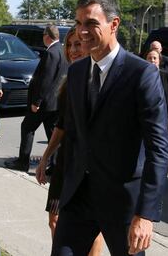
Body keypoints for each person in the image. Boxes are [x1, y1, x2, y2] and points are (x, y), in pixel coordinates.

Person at [51, 0, 168, 256]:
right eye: (79, 23)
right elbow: (72, 138)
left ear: (113, 24)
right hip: (79, 200)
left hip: (123, 204)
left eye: (91, 23)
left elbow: (158, 150)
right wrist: (57, 197)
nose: (82, 31)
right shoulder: (76, 72)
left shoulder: (142, 75)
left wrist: (146, 214)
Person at [35, 26, 104, 256]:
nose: (74, 50)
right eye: (70, 45)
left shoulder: (98, 80)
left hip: (89, 169)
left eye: (78, 44)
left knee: (92, 229)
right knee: (54, 219)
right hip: (66, 163)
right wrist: (45, 157)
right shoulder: (70, 80)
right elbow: (61, 126)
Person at [5, 24, 68, 172]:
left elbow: (45, 80)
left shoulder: (51, 53)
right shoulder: (63, 51)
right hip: (56, 102)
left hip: (44, 103)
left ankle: (23, 162)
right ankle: (55, 165)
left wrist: (36, 101)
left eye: (43, 36)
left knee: (27, 128)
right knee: (53, 134)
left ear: (47, 36)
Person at [146, 49, 168, 140]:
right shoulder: (141, 76)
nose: (152, 60)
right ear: (146, 60)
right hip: (147, 116)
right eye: (149, 58)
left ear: (159, 61)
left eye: (154, 58)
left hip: (164, 117)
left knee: (162, 143)